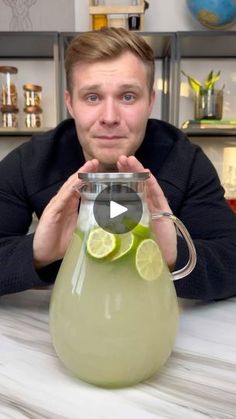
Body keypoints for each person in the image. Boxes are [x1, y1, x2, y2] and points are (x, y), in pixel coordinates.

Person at [0, 28, 236, 300]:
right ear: (70, 103)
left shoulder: (185, 160)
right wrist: (38, 253)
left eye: (127, 96)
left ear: (150, 102)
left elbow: (231, 255)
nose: (109, 117)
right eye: (92, 97)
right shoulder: (31, 162)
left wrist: (173, 254)